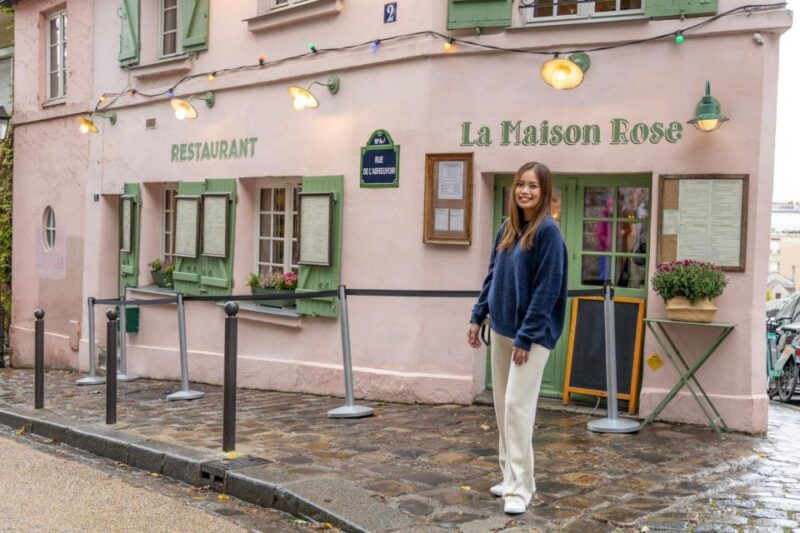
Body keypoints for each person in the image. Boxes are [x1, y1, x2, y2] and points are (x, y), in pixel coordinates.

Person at [467, 161, 568, 515]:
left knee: (517, 407)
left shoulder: (548, 232)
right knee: (501, 408)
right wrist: (477, 315)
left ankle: (522, 488)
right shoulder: (506, 229)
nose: (525, 191)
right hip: (501, 329)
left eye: (534, 186)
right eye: (521, 185)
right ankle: (509, 475)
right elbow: (492, 275)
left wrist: (527, 336)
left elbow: (548, 288)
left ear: (544, 192)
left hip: (532, 335)